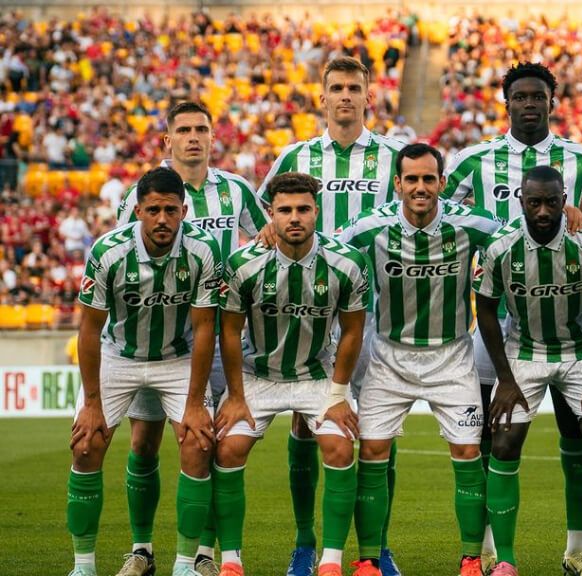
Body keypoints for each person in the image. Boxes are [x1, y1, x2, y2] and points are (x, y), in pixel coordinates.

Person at [443, 62, 582, 575]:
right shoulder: (474, 161)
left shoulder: (580, 159)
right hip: (500, 325)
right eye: (520, 96)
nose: (529, 104)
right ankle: (488, 550)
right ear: (505, 102)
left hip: (570, 320)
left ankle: (578, 551)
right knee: (495, 435)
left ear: (552, 102)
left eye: (538, 96)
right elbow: (440, 219)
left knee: (581, 436)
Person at [258, 56, 407, 576]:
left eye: (354, 88)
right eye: (336, 88)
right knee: (304, 425)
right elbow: (266, 221)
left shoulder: (393, 158)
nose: (345, 95)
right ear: (321, 97)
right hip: (303, 316)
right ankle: (305, 543)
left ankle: (377, 547)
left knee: (376, 431)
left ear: (369, 95)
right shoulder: (295, 156)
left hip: (374, 313)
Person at [112, 100, 268, 576]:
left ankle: (202, 552)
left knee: (207, 443)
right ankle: (141, 549)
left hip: (219, 335)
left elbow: (269, 238)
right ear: (168, 140)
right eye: (184, 130)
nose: (194, 137)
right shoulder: (145, 193)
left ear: (213, 137)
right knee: (143, 441)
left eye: (202, 128)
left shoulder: (237, 190)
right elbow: (123, 257)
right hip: (159, 335)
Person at [337, 143, 499, 576]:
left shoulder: (472, 226)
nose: (421, 187)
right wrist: (272, 233)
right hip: (389, 358)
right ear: (398, 184)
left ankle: (470, 559)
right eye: (412, 179)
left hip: (452, 357)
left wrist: (573, 215)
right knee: (372, 450)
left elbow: (520, 235)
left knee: (467, 450)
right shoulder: (371, 227)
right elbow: (326, 251)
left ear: (443, 183)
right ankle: (368, 559)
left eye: (429, 179)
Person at [66, 167, 222, 576]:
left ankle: (185, 565)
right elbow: (89, 328)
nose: (162, 219)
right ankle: (83, 567)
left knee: (198, 443)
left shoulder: (203, 251)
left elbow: (206, 327)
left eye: (171, 210)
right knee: (86, 444)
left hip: (176, 358)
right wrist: (93, 405)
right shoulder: (107, 251)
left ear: (184, 211)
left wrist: (193, 404)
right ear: (137, 210)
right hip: (119, 357)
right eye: (153, 210)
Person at [212, 172, 370, 576]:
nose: (294, 217)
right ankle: (230, 560)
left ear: (316, 211)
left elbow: (353, 331)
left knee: (339, 448)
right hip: (257, 375)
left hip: (318, 376)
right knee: (228, 449)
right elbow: (228, 332)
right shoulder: (243, 265)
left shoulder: (346, 262)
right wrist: (235, 394)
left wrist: (338, 394)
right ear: (271, 214)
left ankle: (330, 562)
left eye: (303, 209)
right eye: (284, 210)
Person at [473, 166, 582, 576]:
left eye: (552, 202)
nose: (543, 210)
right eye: (534, 202)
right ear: (521, 200)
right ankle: (504, 559)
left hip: (581, 352)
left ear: (565, 201)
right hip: (522, 353)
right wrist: (504, 379)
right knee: (503, 443)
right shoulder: (499, 246)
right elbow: (485, 310)